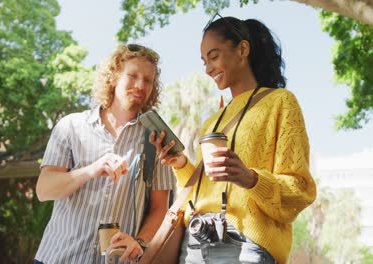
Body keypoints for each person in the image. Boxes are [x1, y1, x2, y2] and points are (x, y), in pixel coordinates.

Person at [151, 14, 317, 264]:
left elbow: (300, 190)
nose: (208, 68)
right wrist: (181, 164)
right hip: (194, 243)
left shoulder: (281, 102)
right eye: (204, 61)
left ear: (243, 49)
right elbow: (204, 189)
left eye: (214, 56)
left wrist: (250, 178)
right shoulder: (212, 121)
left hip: (246, 242)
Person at [34, 44, 175, 263]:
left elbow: (159, 209)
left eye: (148, 80)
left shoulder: (156, 140)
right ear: (114, 77)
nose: (140, 85)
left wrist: (140, 242)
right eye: (133, 75)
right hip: (57, 257)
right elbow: (44, 190)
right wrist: (90, 170)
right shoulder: (71, 126)